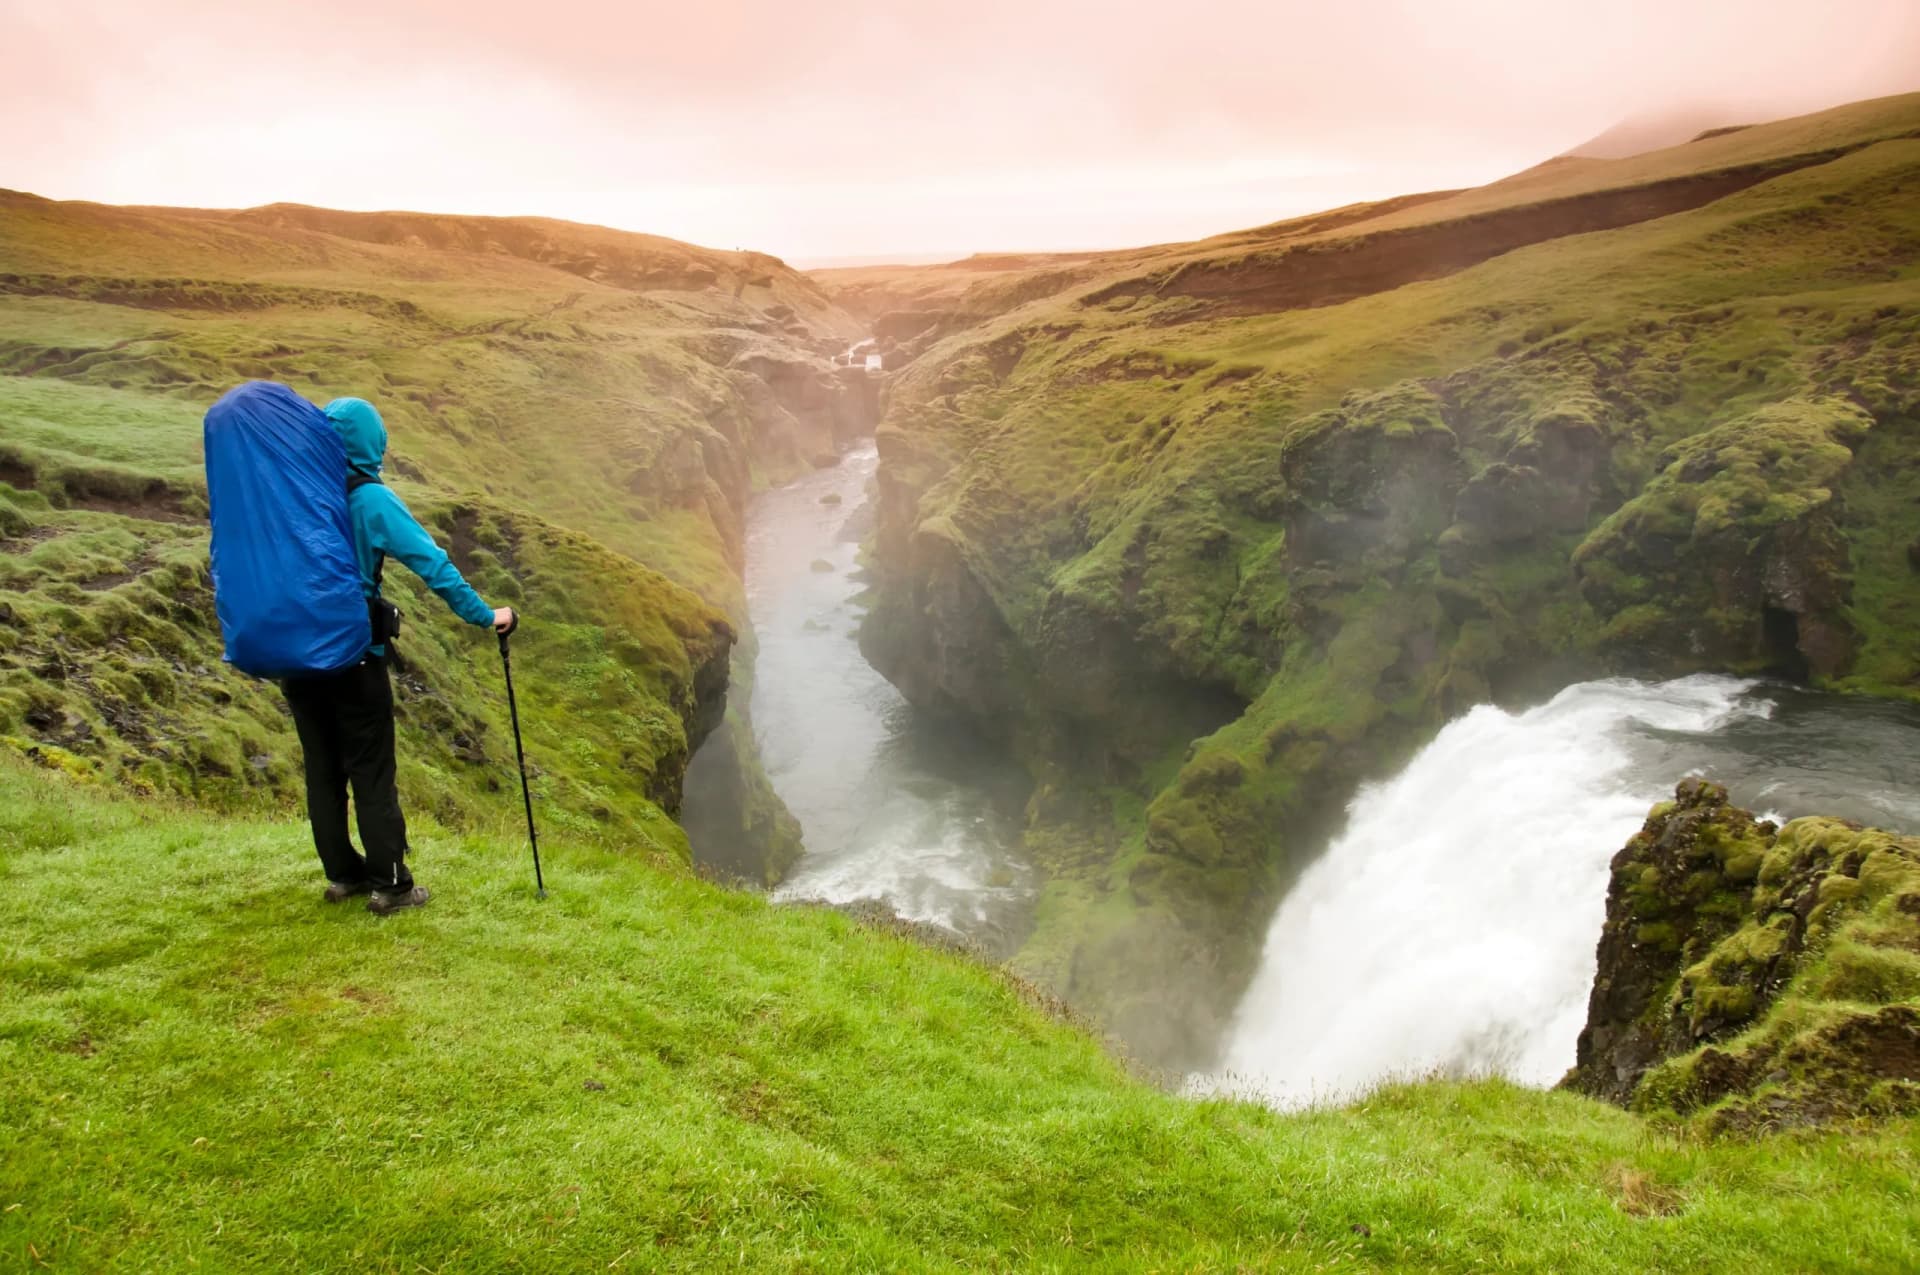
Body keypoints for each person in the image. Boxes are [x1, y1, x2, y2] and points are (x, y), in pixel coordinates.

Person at [280, 396, 515, 915]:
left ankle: (343, 876)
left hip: (297, 655)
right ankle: (391, 885)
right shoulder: (371, 501)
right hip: (353, 657)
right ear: (371, 444)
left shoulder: (296, 493)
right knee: (370, 770)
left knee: (322, 769)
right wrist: (486, 616)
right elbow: (433, 566)